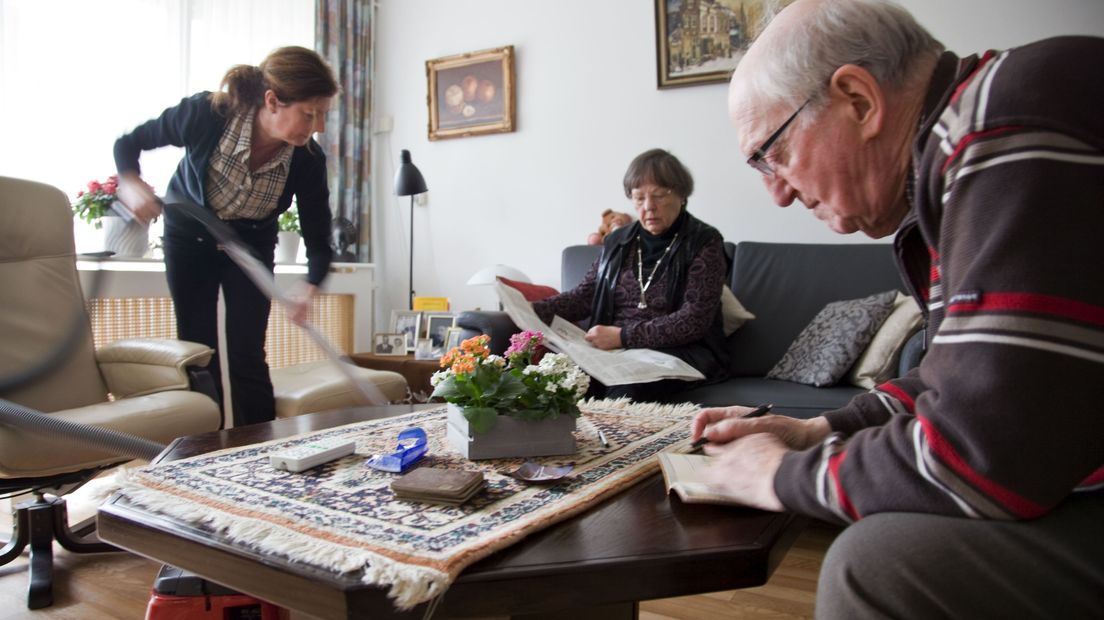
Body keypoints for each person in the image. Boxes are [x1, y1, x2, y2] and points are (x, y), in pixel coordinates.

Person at [692, 0, 1103, 617]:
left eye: (771, 155)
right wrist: (815, 431)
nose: (776, 194)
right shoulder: (971, 140)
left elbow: (983, 452)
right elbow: (960, 382)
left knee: (876, 566)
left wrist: (778, 476)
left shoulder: (1000, 125)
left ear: (858, 99)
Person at [113, 46, 339, 427]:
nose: (317, 126)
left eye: (323, 115)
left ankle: (262, 448)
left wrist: (309, 286)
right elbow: (128, 144)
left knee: (247, 351)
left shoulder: (307, 160)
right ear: (272, 101)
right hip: (190, 240)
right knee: (200, 352)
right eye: (309, 113)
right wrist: (131, 182)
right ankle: (204, 448)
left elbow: (319, 240)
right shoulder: (206, 113)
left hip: (250, 247)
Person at [533, 148, 730, 402]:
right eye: (639, 198)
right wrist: (531, 310)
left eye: (659, 195)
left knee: (625, 391)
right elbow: (585, 295)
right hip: (613, 351)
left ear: (682, 195)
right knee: (555, 384)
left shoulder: (704, 241)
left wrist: (623, 336)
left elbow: (694, 319)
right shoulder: (618, 241)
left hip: (678, 352)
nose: (648, 207)